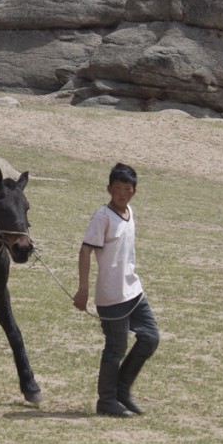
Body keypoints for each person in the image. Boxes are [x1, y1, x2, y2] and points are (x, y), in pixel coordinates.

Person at [73, 163, 160, 417]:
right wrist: (83, 289)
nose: (122, 193)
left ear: (134, 191)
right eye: (117, 188)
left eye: (127, 189)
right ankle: (106, 400)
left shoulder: (130, 211)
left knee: (150, 338)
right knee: (115, 348)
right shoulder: (102, 216)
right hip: (111, 296)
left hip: (134, 291)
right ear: (109, 189)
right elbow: (85, 250)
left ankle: (121, 389)